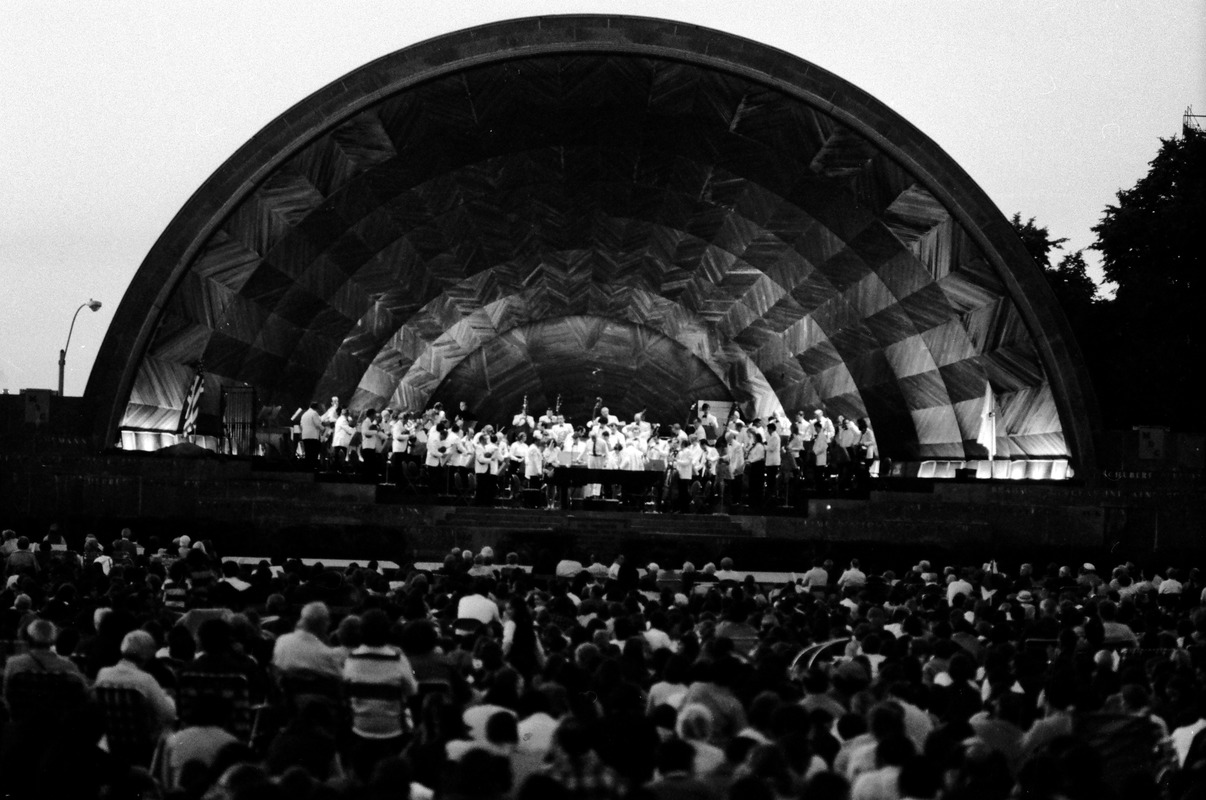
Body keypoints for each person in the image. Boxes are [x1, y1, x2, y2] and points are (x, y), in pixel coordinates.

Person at [94, 630, 178, 738]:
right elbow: (169, 715)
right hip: (145, 745)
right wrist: (167, 697)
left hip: (113, 741)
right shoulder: (145, 680)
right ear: (149, 653)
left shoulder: (103, 674)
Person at [272, 601, 343, 679]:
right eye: (328, 620)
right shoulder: (326, 654)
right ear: (323, 624)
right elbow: (341, 678)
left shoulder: (281, 641)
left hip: (285, 690)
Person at [298, 403, 324, 468]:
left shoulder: (304, 414)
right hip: (313, 436)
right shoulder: (314, 413)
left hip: (305, 436)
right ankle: (313, 467)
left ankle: (308, 468)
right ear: (316, 408)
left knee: (308, 453)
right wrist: (323, 429)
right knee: (314, 453)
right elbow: (317, 424)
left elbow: (301, 425)